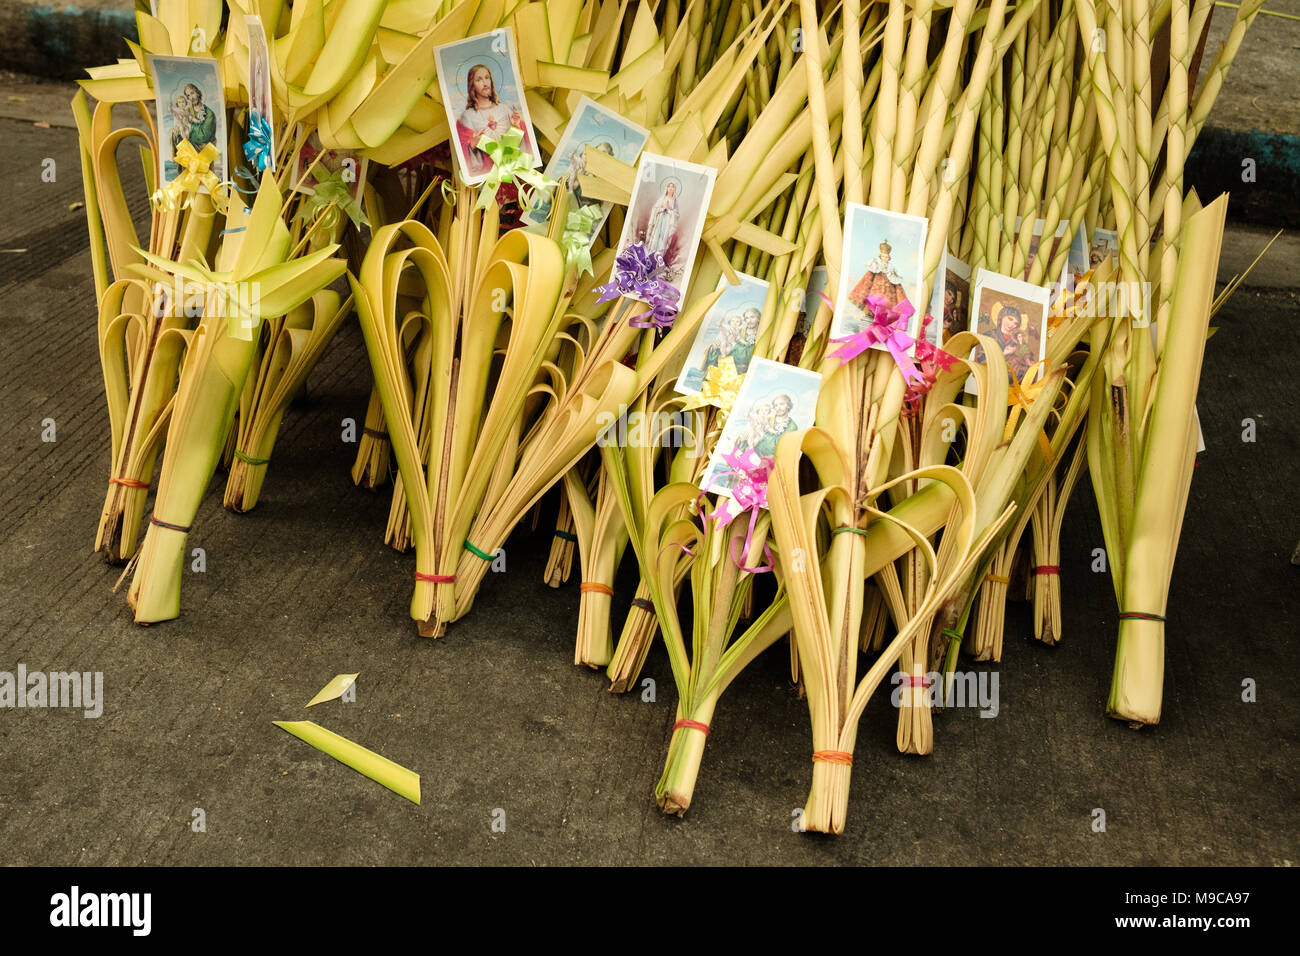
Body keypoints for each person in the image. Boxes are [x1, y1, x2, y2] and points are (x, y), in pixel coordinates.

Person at [455, 63, 534, 176]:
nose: (485, 82)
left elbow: (520, 147)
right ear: (472, 85)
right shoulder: (468, 116)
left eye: (487, 78)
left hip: (513, 170)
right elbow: (465, 152)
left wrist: (516, 128)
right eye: (479, 79)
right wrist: (472, 145)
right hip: (489, 174)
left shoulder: (504, 109)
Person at [849, 239, 908, 313]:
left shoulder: (891, 266)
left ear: (889, 257)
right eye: (883, 256)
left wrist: (891, 275)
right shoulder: (876, 263)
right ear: (880, 256)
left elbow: (894, 277)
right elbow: (870, 274)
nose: (885, 258)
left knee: (888, 303)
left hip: (888, 289)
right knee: (874, 301)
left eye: (886, 257)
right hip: (876, 286)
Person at [643, 181, 679, 260]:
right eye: (669, 186)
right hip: (659, 220)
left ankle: (658, 257)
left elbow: (676, 214)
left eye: (672, 187)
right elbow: (655, 208)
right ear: (666, 188)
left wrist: (669, 210)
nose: (670, 188)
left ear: (674, 189)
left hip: (668, 221)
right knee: (656, 236)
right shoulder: (662, 198)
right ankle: (650, 254)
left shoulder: (674, 201)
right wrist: (663, 208)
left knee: (663, 238)